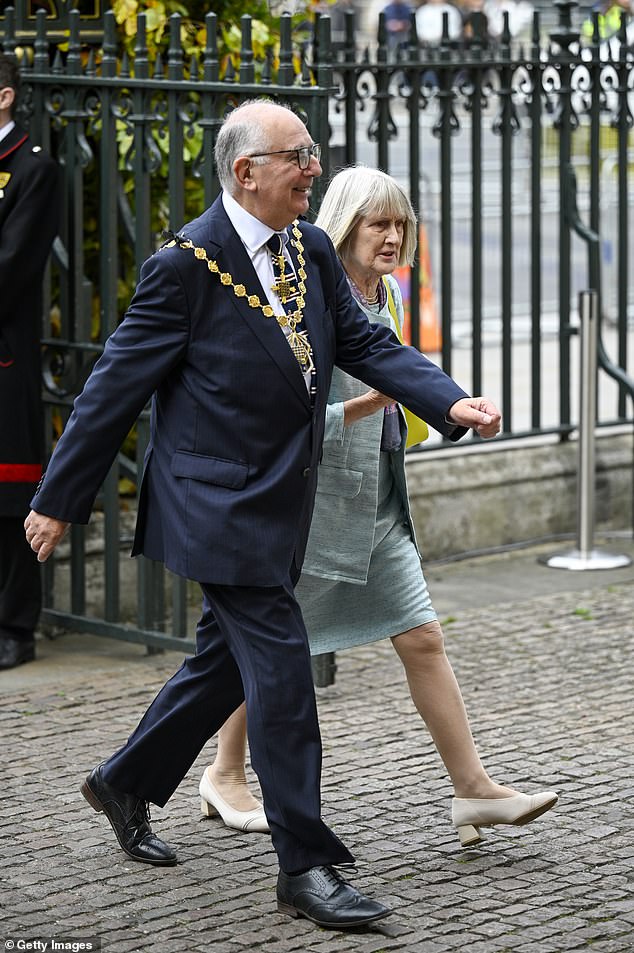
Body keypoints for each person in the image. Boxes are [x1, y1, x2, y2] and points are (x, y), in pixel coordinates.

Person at [24, 100, 501, 931]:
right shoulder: (184, 265)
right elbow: (112, 389)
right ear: (246, 171)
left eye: (312, 153)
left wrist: (450, 398)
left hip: (285, 498)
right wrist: (58, 501)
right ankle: (306, 864)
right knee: (282, 671)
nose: (314, 167)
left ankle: (125, 779)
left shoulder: (310, 248)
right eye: (297, 155)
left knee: (223, 662)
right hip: (214, 506)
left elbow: (367, 345)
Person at [200, 166, 558, 850]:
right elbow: (276, 418)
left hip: (377, 501)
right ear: (344, 226)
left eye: (400, 224)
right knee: (264, 647)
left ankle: (473, 789)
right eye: (377, 224)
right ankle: (223, 771)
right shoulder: (304, 297)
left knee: (422, 635)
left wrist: (453, 403)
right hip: (309, 507)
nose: (393, 237)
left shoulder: (387, 293)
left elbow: (402, 368)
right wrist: (367, 406)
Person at [0, 53, 61, 671]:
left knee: (10, 495)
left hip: (7, 357)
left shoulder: (32, 169)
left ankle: (16, 626)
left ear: (4, 98)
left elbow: (12, 267)